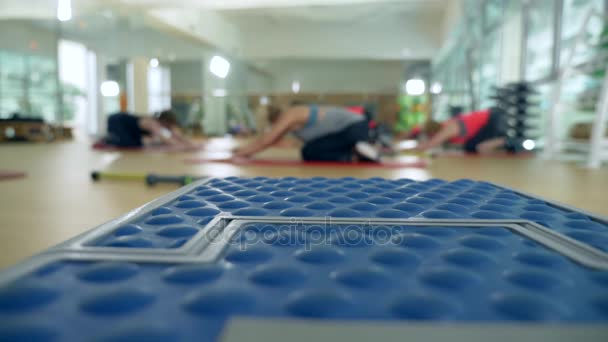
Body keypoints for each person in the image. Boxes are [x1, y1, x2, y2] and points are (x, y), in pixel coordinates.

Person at [233, 104, 380, 161]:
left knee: (308, 151)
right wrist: (244, 149)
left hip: (356, 127)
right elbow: (273, 141)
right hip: (350, 134)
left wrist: (243, 153)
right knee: (309, 151)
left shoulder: (291, 113)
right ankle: (357, 153)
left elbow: (267, 139)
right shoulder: (292, 127)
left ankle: (357, 150)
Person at [411, 107, 515, 154]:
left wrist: (412, 150)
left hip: (492, 119)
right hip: (487, 123)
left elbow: (432, 143)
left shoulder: (449, 127)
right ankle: (504, 143)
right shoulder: (449, 133)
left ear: (433, 132)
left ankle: (506, 141)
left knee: (480, 148)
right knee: (470, 148)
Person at [104, 110, 195, 149]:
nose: (171, 128)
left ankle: (111, 139)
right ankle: (109, 140)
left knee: (141, 142)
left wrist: (192, 144)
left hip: (129, 129)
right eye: (170, 125)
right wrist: (187, 147)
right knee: (131, 144)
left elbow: (176, 135)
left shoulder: (162, 125)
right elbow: (168, 141)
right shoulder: (153, 123)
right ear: (165, 121)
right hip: (116, 120)